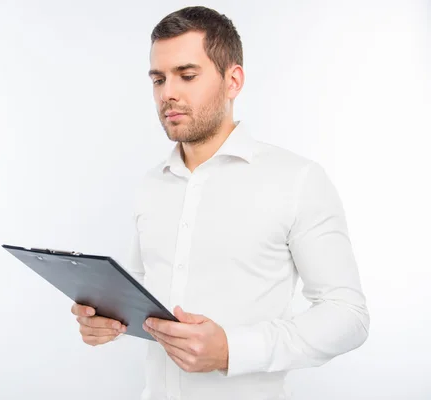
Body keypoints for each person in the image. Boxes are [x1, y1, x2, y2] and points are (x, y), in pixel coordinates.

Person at [71, 6, 369, 400]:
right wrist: (107, 318)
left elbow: (348, 316)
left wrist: (233, 349)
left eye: (187, 75)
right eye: (158, 79)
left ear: (233, 81)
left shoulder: (298, 179)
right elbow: (144, 288)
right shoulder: (151, 184)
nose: (168, 93)